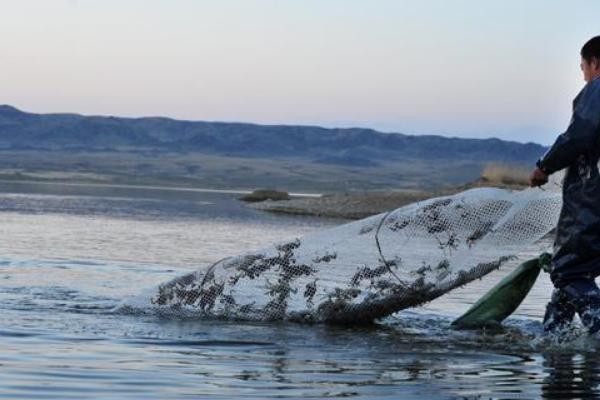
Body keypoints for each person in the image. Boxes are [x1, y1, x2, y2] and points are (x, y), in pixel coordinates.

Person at [530, 36, 600, 334]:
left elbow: (580, 134)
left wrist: (545, 166)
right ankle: (552, 340)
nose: (582, 74)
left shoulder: (598, 88)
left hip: (592, 195)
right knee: (573, 272)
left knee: (570, 269)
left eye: (583, 67)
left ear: (594, 63)